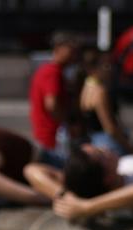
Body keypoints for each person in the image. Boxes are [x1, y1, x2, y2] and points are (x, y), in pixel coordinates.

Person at [28, 31, 77, 167]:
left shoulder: (50, 70)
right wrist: (66, 124)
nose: (74, 53)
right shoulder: (52, 72)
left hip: (49, 134)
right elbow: (52, 104)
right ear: (58, 49)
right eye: (70, 48)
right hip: (52, 135)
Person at [75, 47, 131, 156]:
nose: (110, 69)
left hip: (93, 139)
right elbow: (110, 127)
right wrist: (128, 147)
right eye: (106, 66)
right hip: (107, 143)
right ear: (93, 69)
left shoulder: (86, 87)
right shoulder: (100, 91)